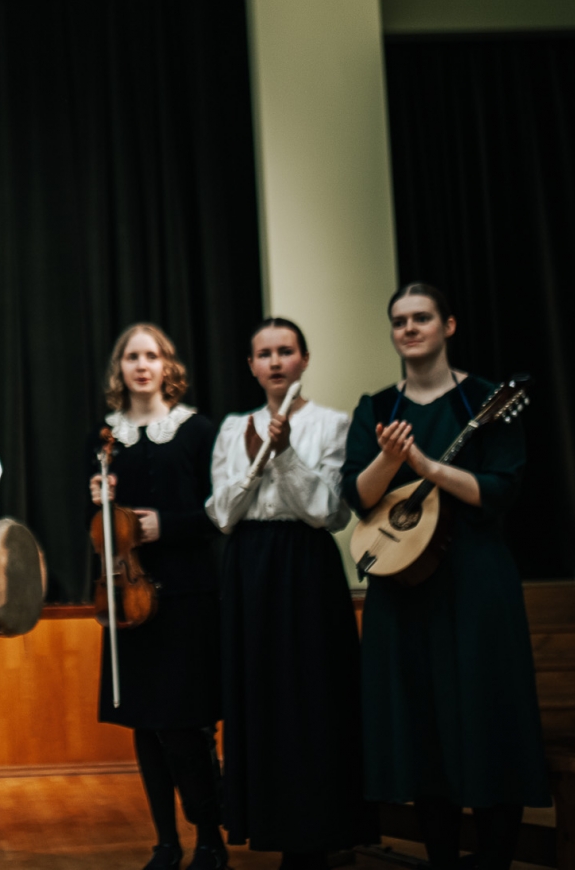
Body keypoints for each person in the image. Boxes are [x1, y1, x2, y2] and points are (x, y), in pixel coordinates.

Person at [340, 283, 547, 870]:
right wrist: (389, 459)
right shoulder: (378, 408)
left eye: (421, 318)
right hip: (401, 586)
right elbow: (356, 496)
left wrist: (426, 466)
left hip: (476, 580)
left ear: (448, 325)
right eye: (399, 320)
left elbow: (501, 490)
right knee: (421, 724)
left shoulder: (487, 399)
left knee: (487, 714)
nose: (409, 328)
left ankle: (496, 858)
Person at [206, 320, 366, 870]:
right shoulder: (233, 428)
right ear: (251, 366)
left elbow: (328, 512)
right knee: (261, 694)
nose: (275, 361)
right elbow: (223, 514)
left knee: (312, 694)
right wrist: (256, 463)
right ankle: (269, 821)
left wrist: (286, 454)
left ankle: (318, 834)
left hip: (305, 566)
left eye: (286, 351)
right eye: (264, 353)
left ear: (304, 359)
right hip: (249, 566)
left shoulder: (333, 423)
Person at [88, 323, 225, 870]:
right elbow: (97, 531)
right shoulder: (107, 437)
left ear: (168, 366)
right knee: (145, 726)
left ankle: (210, 839)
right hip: (129, 597)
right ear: (119, 369)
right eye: (131, 357)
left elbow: (220, 512)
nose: (141, 365)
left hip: (188, 594)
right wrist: (98, 500)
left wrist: (167, 525)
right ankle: (166, 843)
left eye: (151, 356)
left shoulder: (197, 431)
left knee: (186, 726)